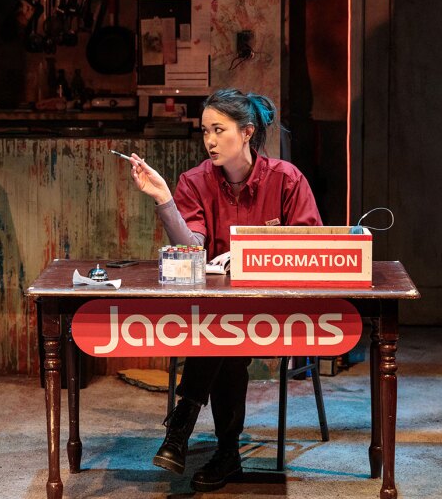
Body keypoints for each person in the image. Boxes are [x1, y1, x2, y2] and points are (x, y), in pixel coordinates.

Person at [126, 89, 322, 492]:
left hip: (275, 311)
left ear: (247, 132)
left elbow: (311, 244)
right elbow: (192, 249)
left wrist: (254, 251)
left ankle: (184, 419)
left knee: (221, 334)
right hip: (217, 316)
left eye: (219, 130)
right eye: (205, 132)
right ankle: (226, 452)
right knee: (225, 337)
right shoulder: (194, 181)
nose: (210, 141)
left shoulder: (286, 178)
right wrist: (164, 200)